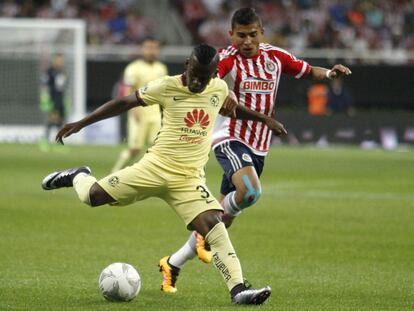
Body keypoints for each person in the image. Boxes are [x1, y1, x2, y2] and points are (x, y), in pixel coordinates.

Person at [41, 44, 288, 305]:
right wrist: (81, 123)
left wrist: (265, 120)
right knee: (92, 196)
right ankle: (79, 174)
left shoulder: (219, 88)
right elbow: (125, 102)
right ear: (186, 65)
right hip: (153, 168)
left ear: (215, 74)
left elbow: (230, 109)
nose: (197, 81)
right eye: (194, 74)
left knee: (215, 224)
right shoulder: (167, 86)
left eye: (205, 77)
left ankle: (238, 290)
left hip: (188, 180)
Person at [161, 7, 352, 293]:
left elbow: (304, 69)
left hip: (260, 144)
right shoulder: (226, 59)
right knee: (250, 191)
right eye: (241, 35)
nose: (247, 41)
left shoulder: (276, 56)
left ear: (261, 33)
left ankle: (173, 263)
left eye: (252, 35)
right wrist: (222, 91)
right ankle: (203, 240)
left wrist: (329, 73)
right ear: (231, 35)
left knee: (220, 221)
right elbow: (207, 78)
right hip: (230, 136)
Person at [111, 37, 168, 172]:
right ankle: (115, 171)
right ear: (142, 49)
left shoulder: (161, 68)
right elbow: (126, 90)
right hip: (139, 112)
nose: (152, 51)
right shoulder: (133, 68)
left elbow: (164, 91)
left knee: (158, 147)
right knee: (135, 148)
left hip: (155, 113)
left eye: (154, 48)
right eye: (148, 48)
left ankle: (149, 174)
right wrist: (132, 109)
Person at [39, 54, 68, 151]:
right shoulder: (50, 72)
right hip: (53, 100)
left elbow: (63, 87)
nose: (60, 62)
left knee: (60, 121)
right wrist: (45, 99)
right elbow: (45, 86)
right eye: (58, 60)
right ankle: (44, 141)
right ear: (54, 60)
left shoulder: (63, 72)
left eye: (61, 60)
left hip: (61, 100)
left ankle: (59, 143)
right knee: (52, 120)